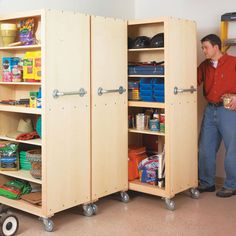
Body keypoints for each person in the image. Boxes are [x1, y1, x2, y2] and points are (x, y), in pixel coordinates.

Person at [197, 34, 236, 197]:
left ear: (216, 47)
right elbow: (191, 81)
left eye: (205, 47)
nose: (203, 50)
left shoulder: (233, 62)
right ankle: (207, 183)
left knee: (233, 149)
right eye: (202, 47)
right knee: (205, 147)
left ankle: (232, 185)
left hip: (229, 110)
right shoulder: (204, 66)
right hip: (210, 109)